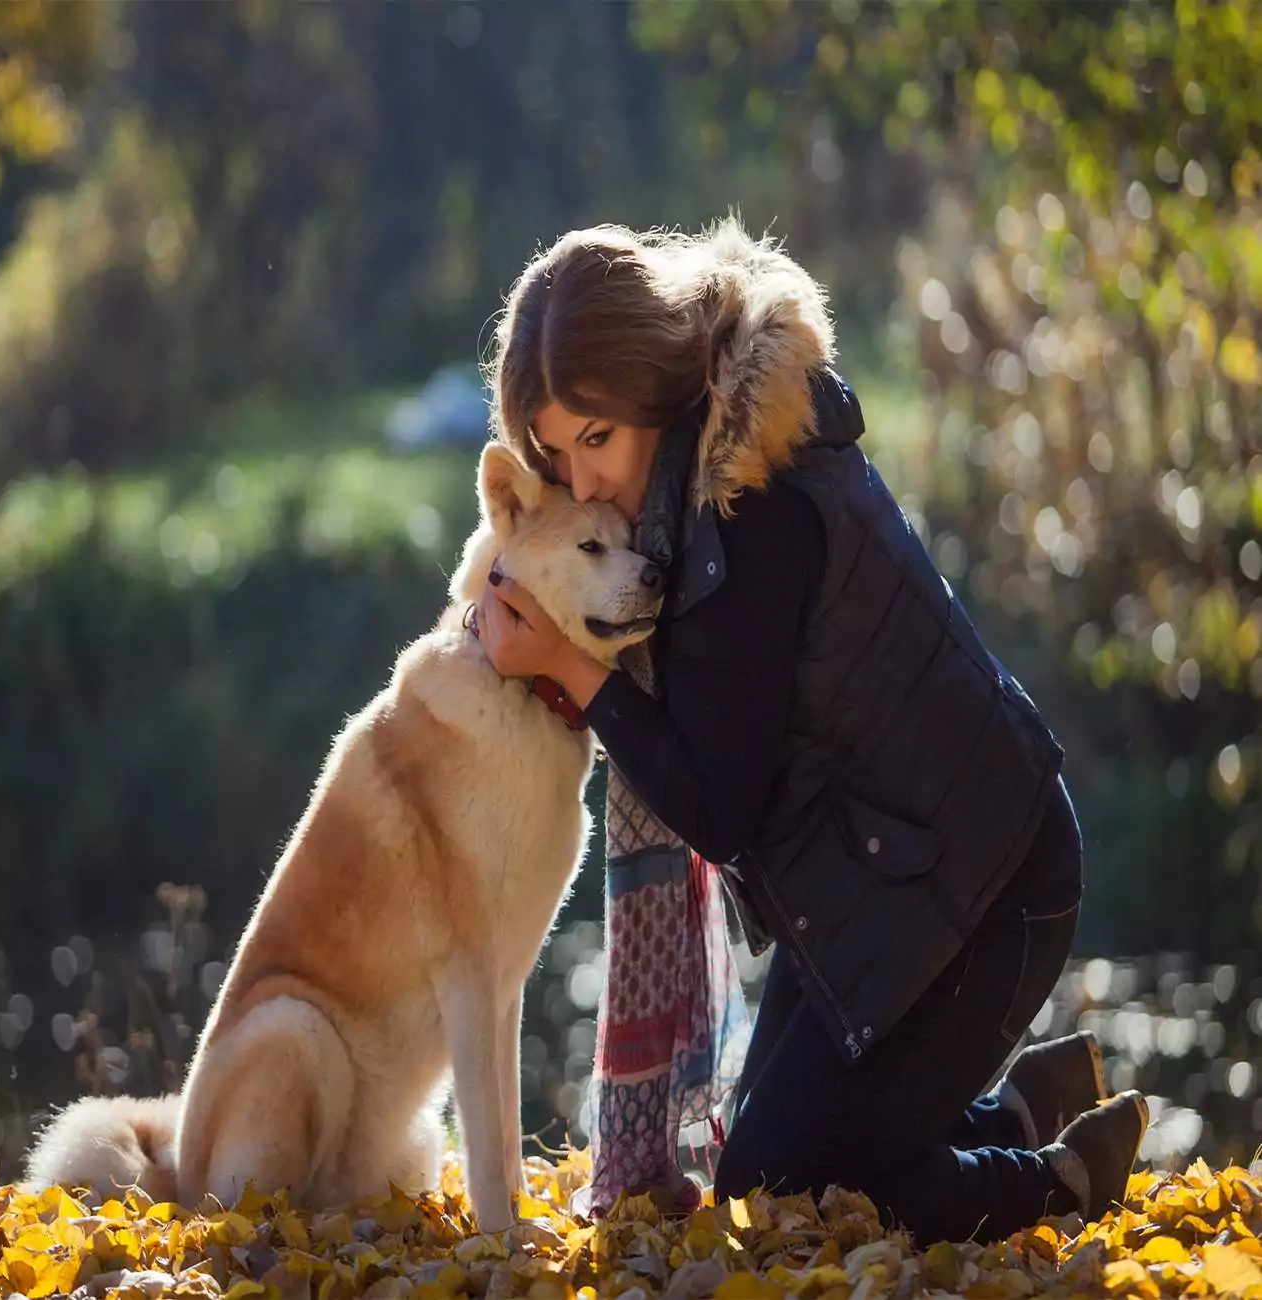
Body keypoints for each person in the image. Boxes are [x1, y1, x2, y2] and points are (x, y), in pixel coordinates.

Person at [471, 218, 1147, 1245]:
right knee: (777, 1150)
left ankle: (1052, 1180)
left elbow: (720, 805)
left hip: (984, 888)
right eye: (557, 451)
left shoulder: (745, 511)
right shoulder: (688, 486)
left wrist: (570, 666)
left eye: (596, 438)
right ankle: (1009, 1109)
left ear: (654, 379)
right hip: (881, 884)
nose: (584, 479)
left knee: (779, 1185)